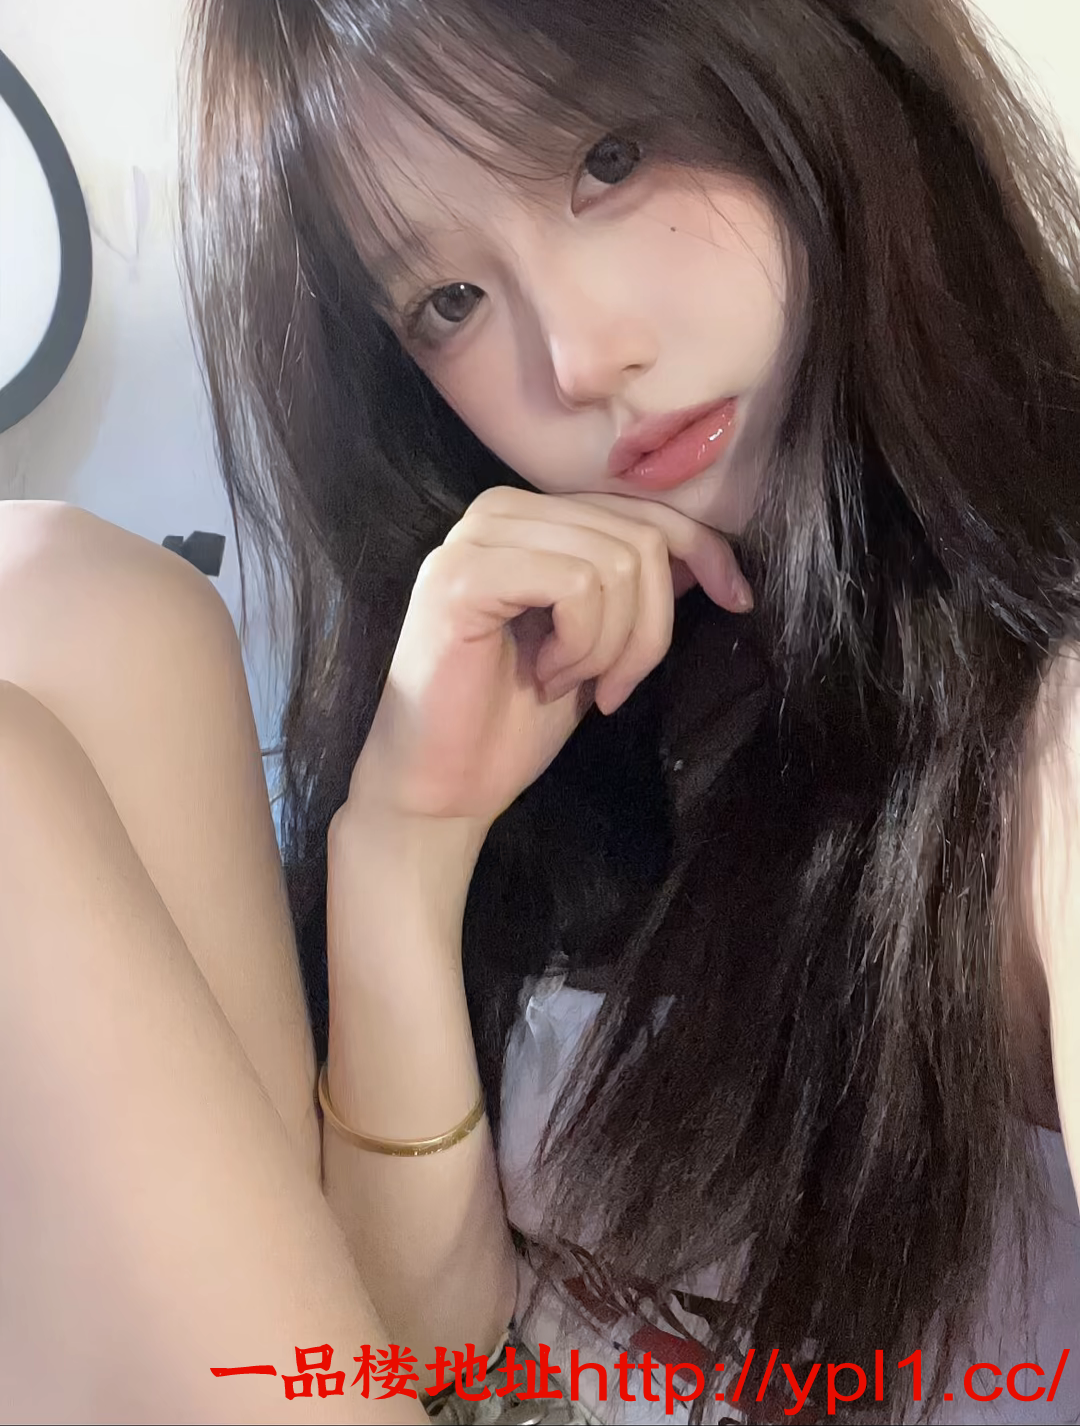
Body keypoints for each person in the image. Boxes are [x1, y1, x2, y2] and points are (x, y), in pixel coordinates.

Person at [181, 0, 1080, 1421]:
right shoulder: (546, 686)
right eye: (448, 302)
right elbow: (423, 1363)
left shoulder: (1051, 743)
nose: (578, 358)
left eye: (609, 158)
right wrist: (404, 842)